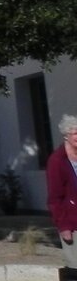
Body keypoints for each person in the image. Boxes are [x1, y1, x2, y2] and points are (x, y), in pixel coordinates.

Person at [46, 114, 77, 269]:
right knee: (75, 266)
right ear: (66, 136)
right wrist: (64, 226)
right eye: (75, 133)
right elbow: (54, 198)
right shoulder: (57, 161)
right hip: (72, 222)